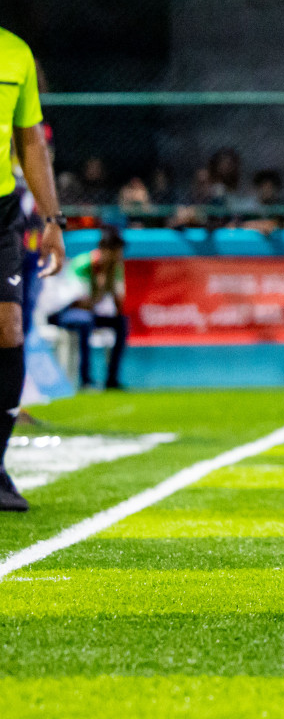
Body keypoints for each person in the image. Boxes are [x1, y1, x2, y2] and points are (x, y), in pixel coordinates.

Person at [0, 25, 67, 512]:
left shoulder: (16, 51)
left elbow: (31, 144)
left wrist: (52, 219)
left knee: (10, 328)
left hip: (1, 210)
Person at [49, 226, 128, 391]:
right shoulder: (83, 265)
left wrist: (111, 284)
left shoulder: (116, 269)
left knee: (122, 323)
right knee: (85, 321)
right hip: (64, 313)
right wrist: (100, 286)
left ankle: (111, 379)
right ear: (104, 250)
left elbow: (118, 307)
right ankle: (85, 380)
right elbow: (78, 302)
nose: (118, 257)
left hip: (91, 313)